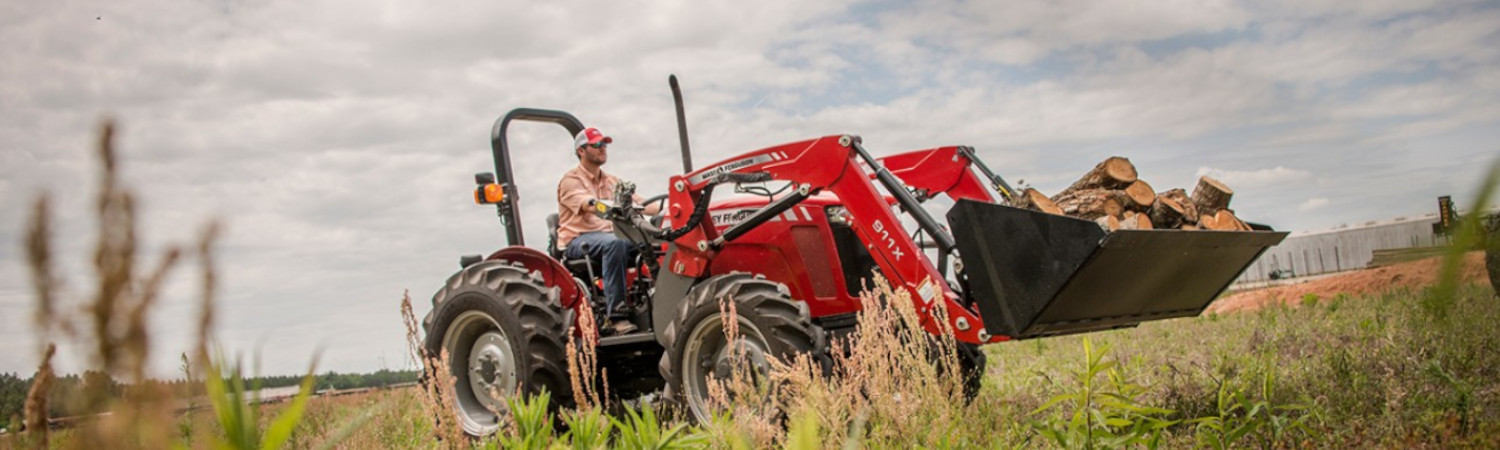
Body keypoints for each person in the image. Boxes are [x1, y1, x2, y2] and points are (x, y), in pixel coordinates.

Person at [557, 127, 658, 335]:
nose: (602, 149)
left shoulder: (613, 181)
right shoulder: (570, 181)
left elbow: (642, 203)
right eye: (596, 145)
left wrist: (671, 210)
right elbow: (590, 205)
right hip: (579, 240)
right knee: (615, 243)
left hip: (611, 236)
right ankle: (616, 317)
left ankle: (658, 301)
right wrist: (612, 208)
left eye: (604, 144)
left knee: (656, 241)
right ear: (581, 151)